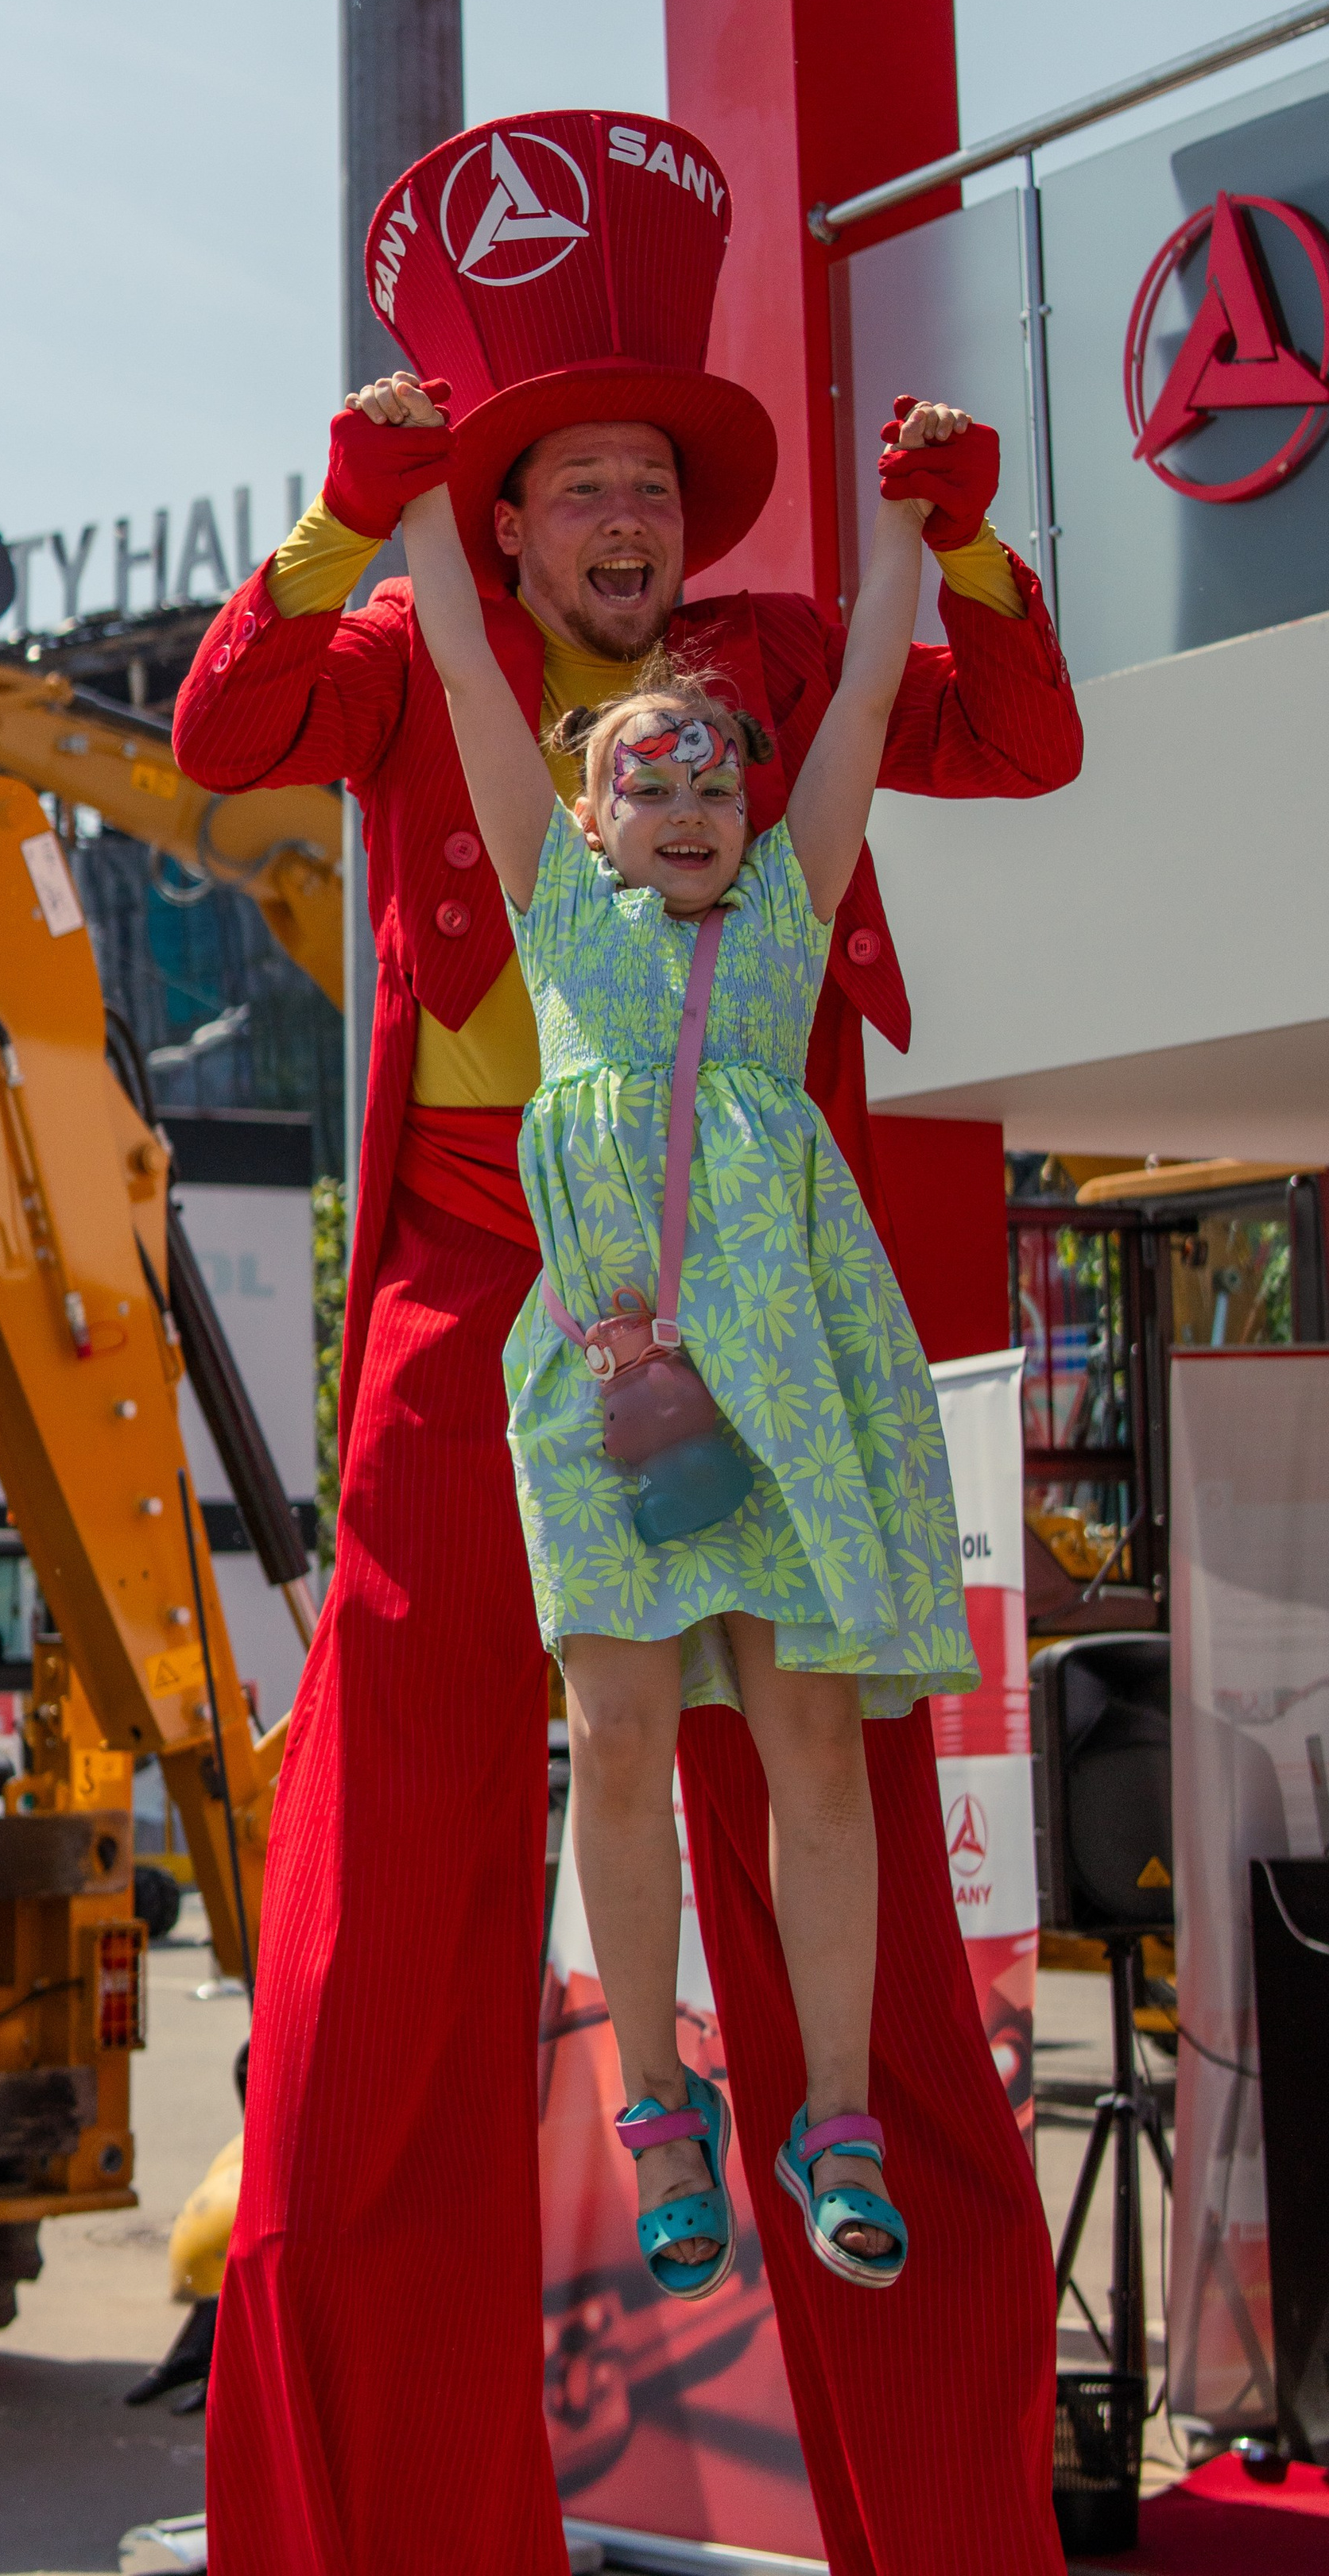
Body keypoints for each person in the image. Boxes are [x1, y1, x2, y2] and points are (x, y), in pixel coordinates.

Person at [175, 106, 1083, 2576]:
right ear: (499, 523)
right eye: (573, 477)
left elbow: (1016, 732)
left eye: (653, 480)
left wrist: (965, 544)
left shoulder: (770, 667)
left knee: (843, 1889)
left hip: (752, 1287)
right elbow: (222, 736)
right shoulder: (413, 652)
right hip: (477, 1298)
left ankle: (949, 2534)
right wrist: (337, 523)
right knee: (382, 1960)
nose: (624, 516)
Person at [393, 366, 987, 2304]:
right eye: (643, 784)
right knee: (618, 1731)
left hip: (789, 1395)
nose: (683, 806)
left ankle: (835, 2116)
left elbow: (867, 706)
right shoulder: (563, 928)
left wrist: (905, 527)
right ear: (586, 817)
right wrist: (412, 507)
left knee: (813, 1742)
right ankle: (657, 2105)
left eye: (711, 781)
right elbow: (468, 682)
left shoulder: (786, 918)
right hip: (610, 1389)